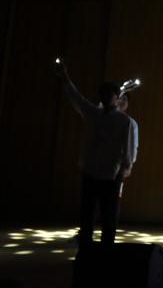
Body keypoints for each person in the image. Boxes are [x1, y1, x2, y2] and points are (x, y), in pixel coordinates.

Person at [55, 59, 134, 246]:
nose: (106, 97)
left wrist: (123, 172)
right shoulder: (94, 113)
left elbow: (128, 150)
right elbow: (76, 98)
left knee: (108, 218)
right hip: (90, 172)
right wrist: (65, 76)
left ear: (117, 96)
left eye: (109, 94)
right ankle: (86, 253)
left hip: (110, 176)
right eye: (103, 94)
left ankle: (106, 255)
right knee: (86, 215)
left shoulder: (124, 121)